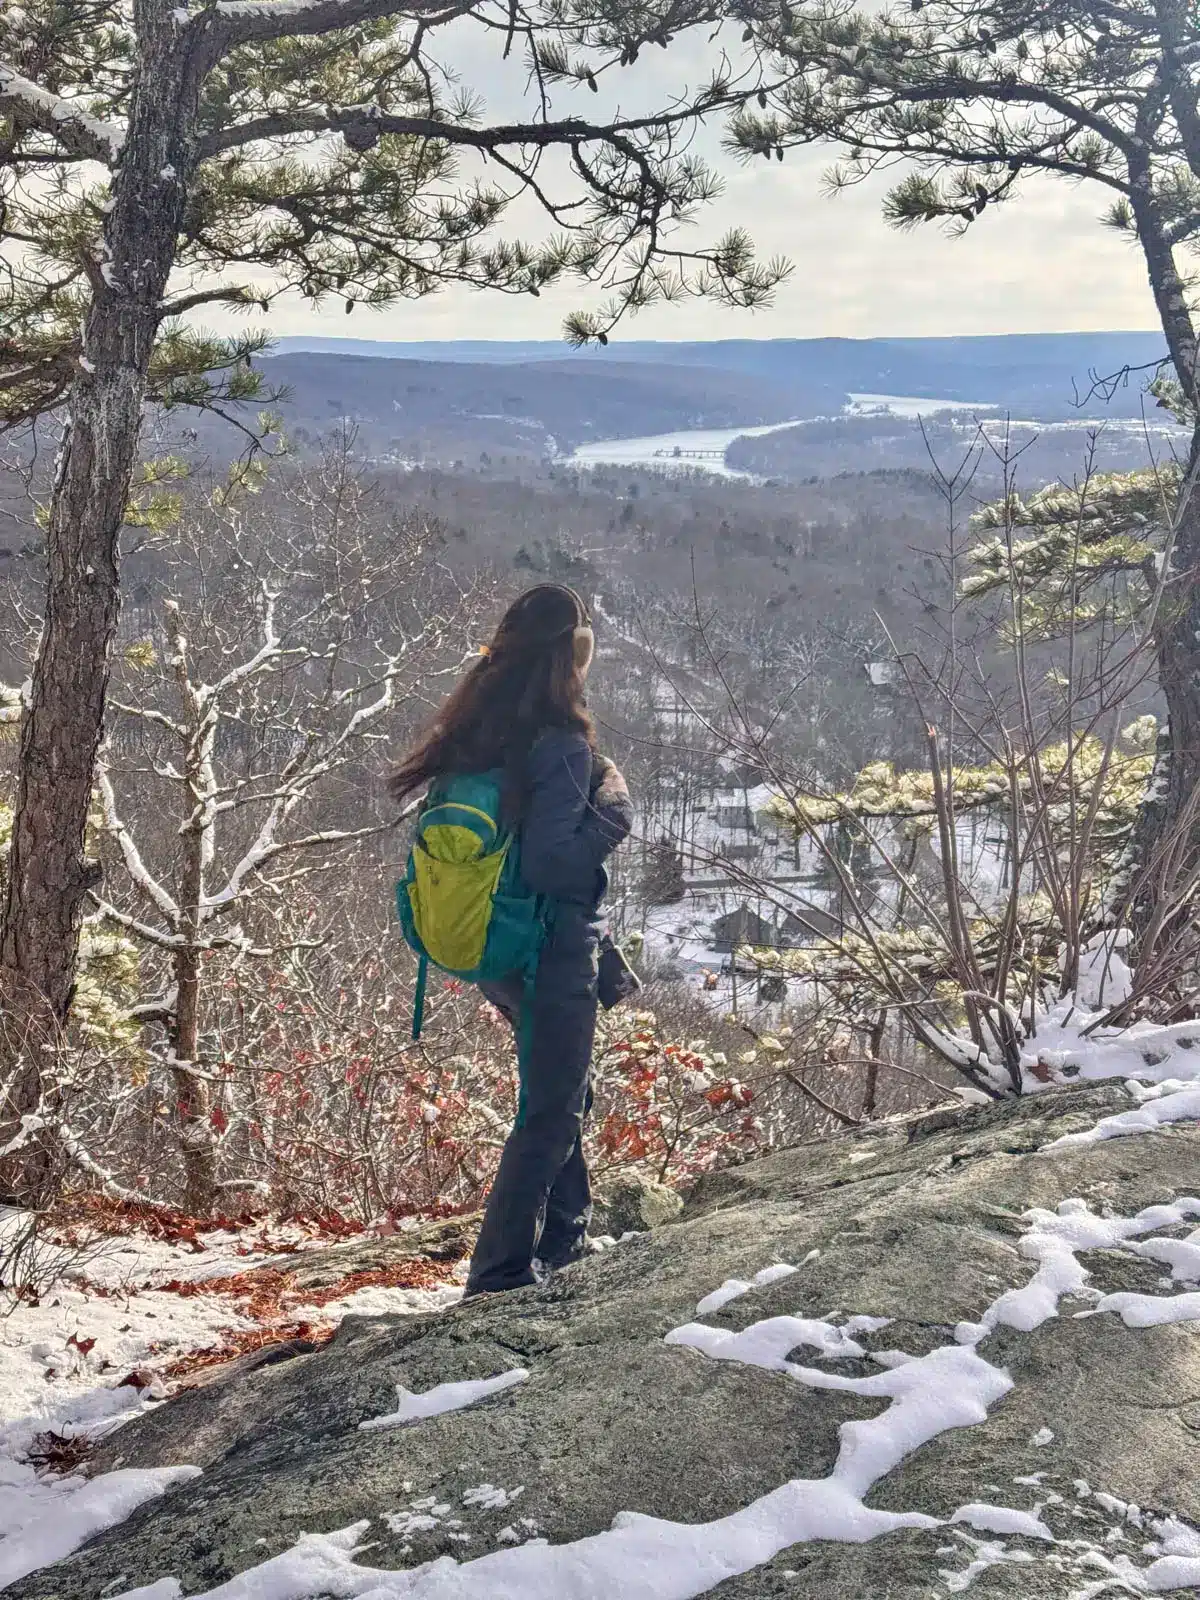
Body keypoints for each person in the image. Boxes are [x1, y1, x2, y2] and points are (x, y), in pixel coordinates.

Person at [390, 583, 634, 1296]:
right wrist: (614, 805)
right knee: (552, 1108)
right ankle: (498, 1274)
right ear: (568, 662)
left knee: (562, 1091)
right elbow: (556, 861)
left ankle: (566, 1238)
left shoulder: (477, 728)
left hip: (498, 939)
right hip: (550, 946)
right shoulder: (556, 741)